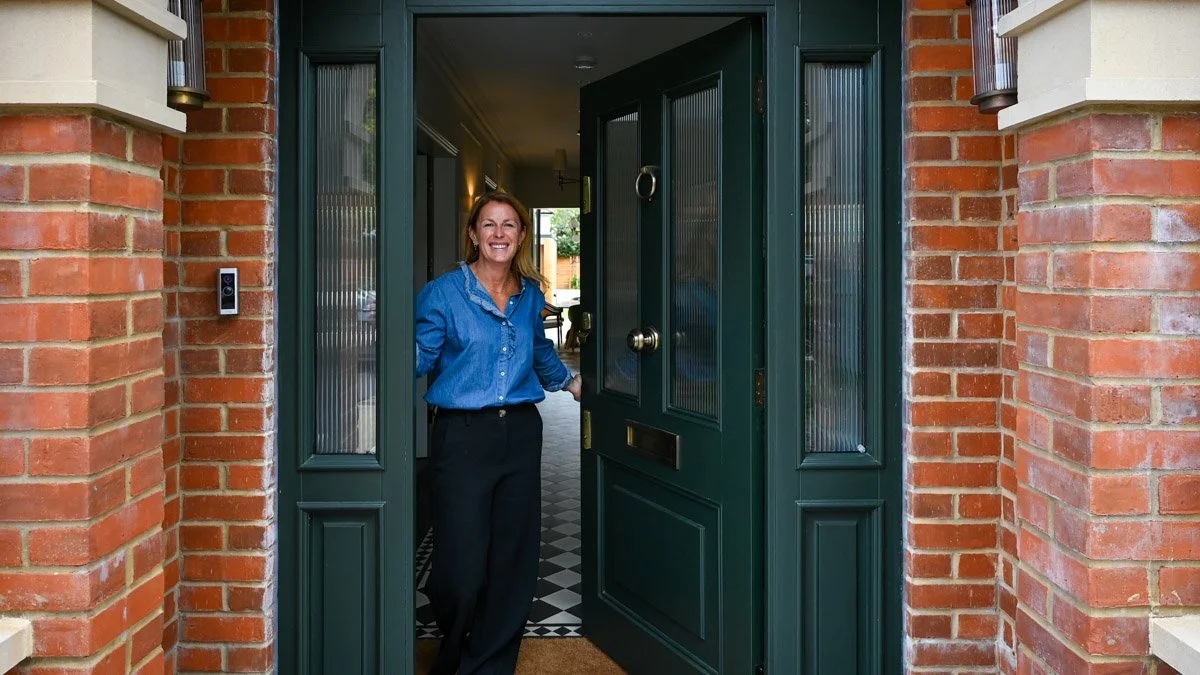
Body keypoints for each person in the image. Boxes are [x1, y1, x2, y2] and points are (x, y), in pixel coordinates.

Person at [415, 190, 583, 675]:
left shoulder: (529, 293)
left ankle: (486, 663)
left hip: (521, 436)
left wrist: (571, 383)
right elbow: (421, 355)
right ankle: (453, 644)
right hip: (461, 436)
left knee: (512, 558)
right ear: (472, 234)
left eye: (509, 225)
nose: (498, 234)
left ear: (522, 235)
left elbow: (538, 349)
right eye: (489, 225)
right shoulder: (444, 293)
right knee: (460, 569)